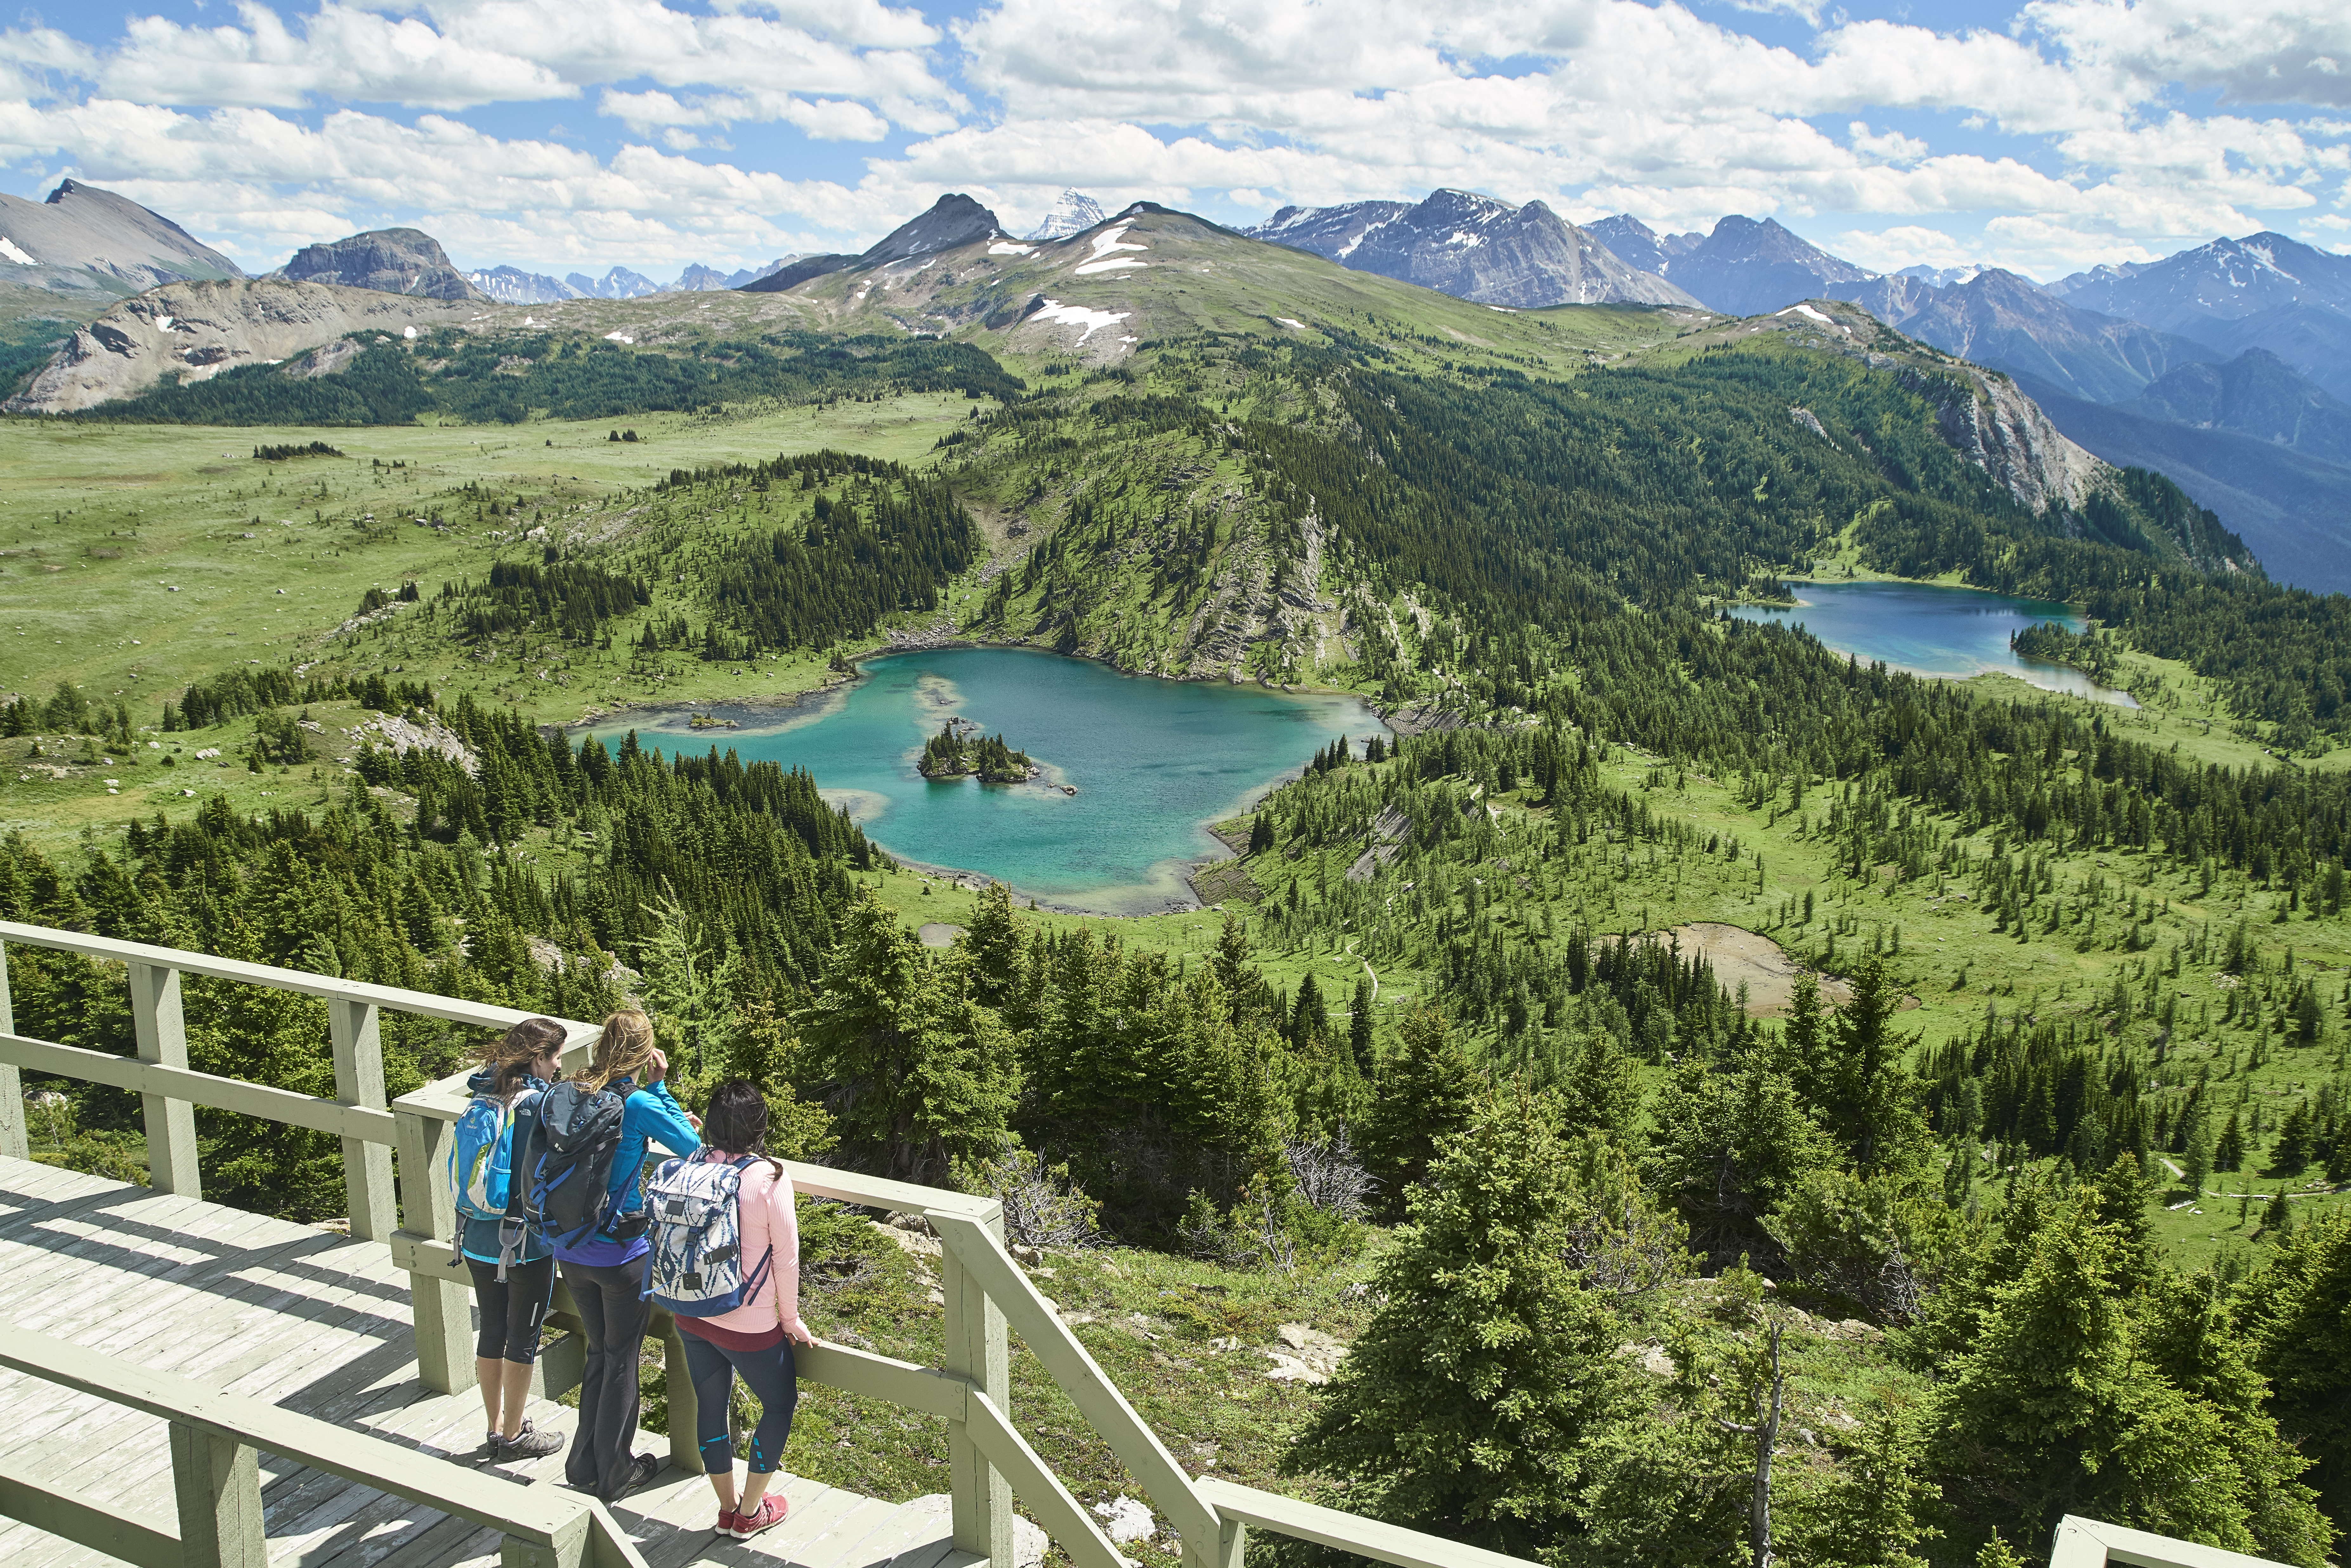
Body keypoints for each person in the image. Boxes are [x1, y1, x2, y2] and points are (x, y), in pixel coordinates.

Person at [520, 1009, 701, 1504]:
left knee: (601, 1354)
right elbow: (694, 1147)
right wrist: (661, 1088)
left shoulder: (576, 1089)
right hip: (621, 1252)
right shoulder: (638, 1101)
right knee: (623, 1360)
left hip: (570, 1248)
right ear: (646, 1055)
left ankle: (584, 1465)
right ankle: (615, 1471)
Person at [662, 1079, 813, 1540]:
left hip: (690, 1310)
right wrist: (790, 1319)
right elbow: (785, 1258)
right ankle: (751, 1512)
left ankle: (727, 1508)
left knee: (712, 1403)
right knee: (779, 1404)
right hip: (747, 1321)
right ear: (759, 1127)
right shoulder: (767, 1178)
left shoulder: (690, 1165)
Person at [456, 1016, 566, 1460]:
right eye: (556, 1058)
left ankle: (493, 1426)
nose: (559, 1067)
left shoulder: (485, 1092)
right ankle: (516, 1434)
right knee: (523, 1336)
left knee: (492, 1328)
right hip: (525, 1243)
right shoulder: (538, 1105)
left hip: (477, 1235)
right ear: (539, 1058)